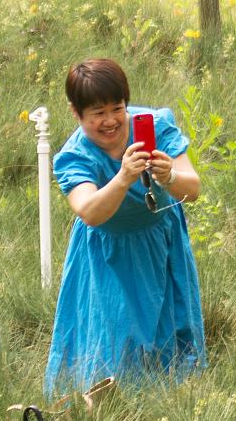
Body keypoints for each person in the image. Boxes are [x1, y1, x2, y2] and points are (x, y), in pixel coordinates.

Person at [45, 57, 205, 397]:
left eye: (117, 109)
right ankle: (113, 415)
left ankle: (171, 405)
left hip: (162, 245)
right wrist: (123, 177)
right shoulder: (74, 156)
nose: (110, 121)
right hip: (109, 256)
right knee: (116, 340)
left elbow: (192, 190)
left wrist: (169, 176)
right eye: (97, 113)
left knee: (172, 333)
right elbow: (89, 211)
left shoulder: (156, 125)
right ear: (76, 113)